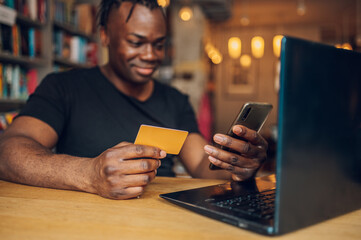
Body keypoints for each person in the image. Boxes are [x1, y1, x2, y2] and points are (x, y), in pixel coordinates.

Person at [0, 0, 268, 200]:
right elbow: (8, 151)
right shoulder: (64, 87)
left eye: (159, 44)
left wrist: (236, 168)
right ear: (105, 35)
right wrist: (88, 174)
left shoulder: (175, 99)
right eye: (136, 42)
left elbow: (200, 165)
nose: (150, 55)